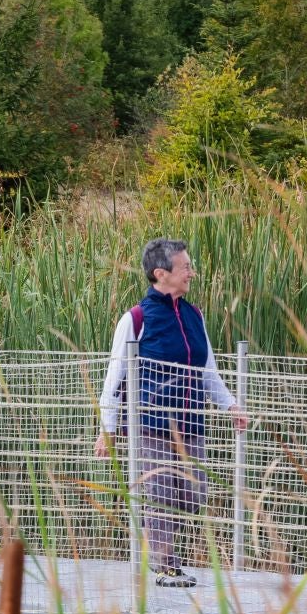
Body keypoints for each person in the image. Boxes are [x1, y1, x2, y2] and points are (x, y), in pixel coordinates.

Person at [93, 238, 248, 588]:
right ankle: (164, 563)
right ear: (161, 273)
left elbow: (208, 371)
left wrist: (231, 405)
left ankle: (152, 543)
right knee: (161, 493)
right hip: (150, 424)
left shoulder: (195, 316)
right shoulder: (135, 319)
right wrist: (108, 429)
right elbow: (114, 378)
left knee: (195, 495)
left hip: (191, 422)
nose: (192, 272)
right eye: (186, 267)